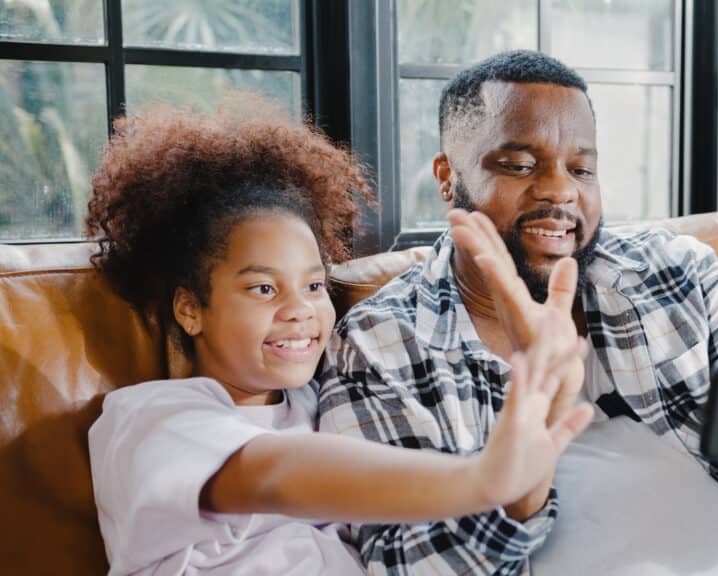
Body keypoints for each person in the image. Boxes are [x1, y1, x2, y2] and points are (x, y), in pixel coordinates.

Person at [317, 51, 718, 575]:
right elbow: (401, 560)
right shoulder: (380, 340)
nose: (561, 190)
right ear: (449, 178)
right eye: (520, 164)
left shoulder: (680, 270)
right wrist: (532, 433)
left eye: (582, 168)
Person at [85, 102, 594, 576]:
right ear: (189, 308)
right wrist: (476, 480)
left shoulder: (324, 401)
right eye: (263, 288)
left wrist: (541, 401)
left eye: (313, 285)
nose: (300, 311)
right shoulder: (154, 420)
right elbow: (275, 476)